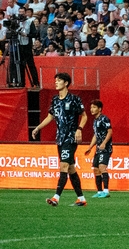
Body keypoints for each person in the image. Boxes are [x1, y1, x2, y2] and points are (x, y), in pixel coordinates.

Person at [31, 72, 87, 206]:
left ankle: (56, 198)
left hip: (70, 138)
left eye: (59, 80)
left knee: (63, 166)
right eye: (55, 80)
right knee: (71, 169)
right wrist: (38, 128)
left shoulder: (74, 99)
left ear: (66, 83)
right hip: (60, 139)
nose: (56, 82)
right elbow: (50, 116)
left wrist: (79, 129)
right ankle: (81, 199)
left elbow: (84, 116)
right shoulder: (55, 100)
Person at [83, 99, 113, 198]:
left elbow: (110, 132)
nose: (91, 109)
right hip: (98, 148)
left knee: (102, 167)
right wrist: (90, 147)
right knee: (96, 169)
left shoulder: (104, 119)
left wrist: (104, 143)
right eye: (91, 107)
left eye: (94, 107)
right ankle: (99, 191)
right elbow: (96, 135)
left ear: (99, 109)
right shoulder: (95, 121)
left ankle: (106, 191)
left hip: (106, 148)